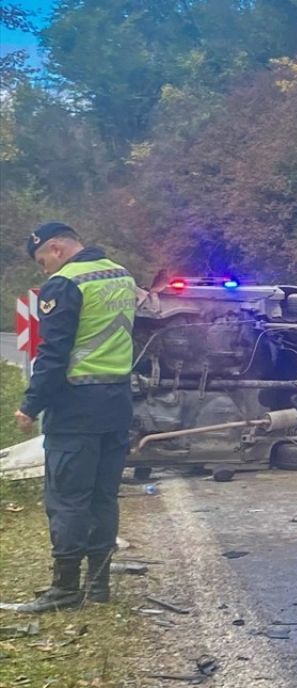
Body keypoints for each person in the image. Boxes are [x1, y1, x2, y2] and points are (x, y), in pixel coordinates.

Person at [12, 223, 136, 612]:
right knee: (103, 497)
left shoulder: (65, 284)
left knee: (67, 498)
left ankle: (65, 590)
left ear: (56, 247)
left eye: (42, 260)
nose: (43, 269)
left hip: (75, 407)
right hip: (117, 404)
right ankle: (98, 587)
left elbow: (53, 354)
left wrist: (31, 405)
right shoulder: (121, 274)